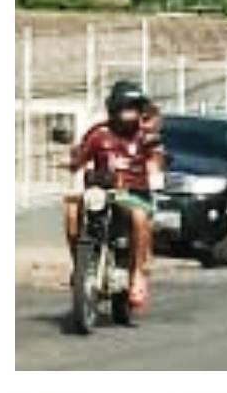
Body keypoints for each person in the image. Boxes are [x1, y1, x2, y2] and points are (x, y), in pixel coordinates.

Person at [65, 80, 163, 309]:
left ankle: (137, 275)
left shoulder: (145, 136)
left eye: (134, 107)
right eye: (125, 107)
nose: (129, 113)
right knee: (70, 211)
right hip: (101, 191)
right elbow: (80, 159)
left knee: (139, 216)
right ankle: (79, 267)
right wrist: (72, 161)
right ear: (114, 108)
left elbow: (156, 158)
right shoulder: (99, 134)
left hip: (133, 194)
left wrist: (155, 167)